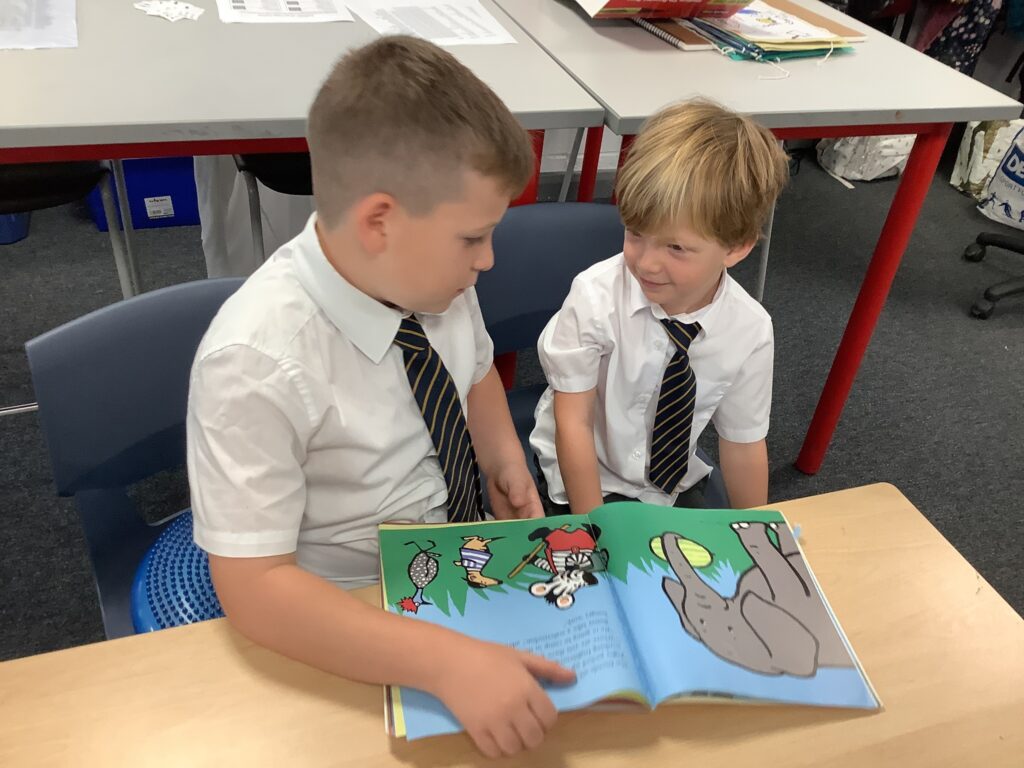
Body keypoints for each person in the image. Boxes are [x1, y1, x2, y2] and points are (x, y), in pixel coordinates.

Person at [186, 36, 571, 758]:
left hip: (460, 562)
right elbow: (255, 588)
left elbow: (476, 372)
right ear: (379, 221)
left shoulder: (434, 280)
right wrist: (442, 660)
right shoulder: (255, 361)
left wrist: (500, 456)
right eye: (475, 237)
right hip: (348, 605)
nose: (487, 260)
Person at [530, 100, 789, 515]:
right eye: (635, 233)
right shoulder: (596, 295)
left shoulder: (750, 329)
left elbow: (743, 445)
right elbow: (573, 424)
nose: (646, 263)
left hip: (669, 484)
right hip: (577, 475)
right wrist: (596, 528)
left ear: (736, 247)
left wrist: (756, 533)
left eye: (676, 247)